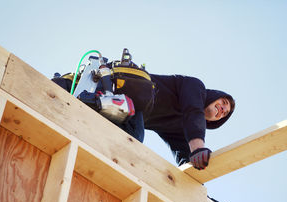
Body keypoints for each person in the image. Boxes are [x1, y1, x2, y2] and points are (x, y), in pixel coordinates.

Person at [52, 68, 235, 171]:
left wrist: (198, 183)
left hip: (126, 111)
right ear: (215, 95)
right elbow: (192, 111)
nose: (223, 109)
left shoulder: (178, 127)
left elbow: (186, 158)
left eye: (225, 113)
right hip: (113, 89)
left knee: (130, 144)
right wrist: (199, 147)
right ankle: (77, 92)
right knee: (133, 139)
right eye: (224, 102)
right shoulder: (195, 86)